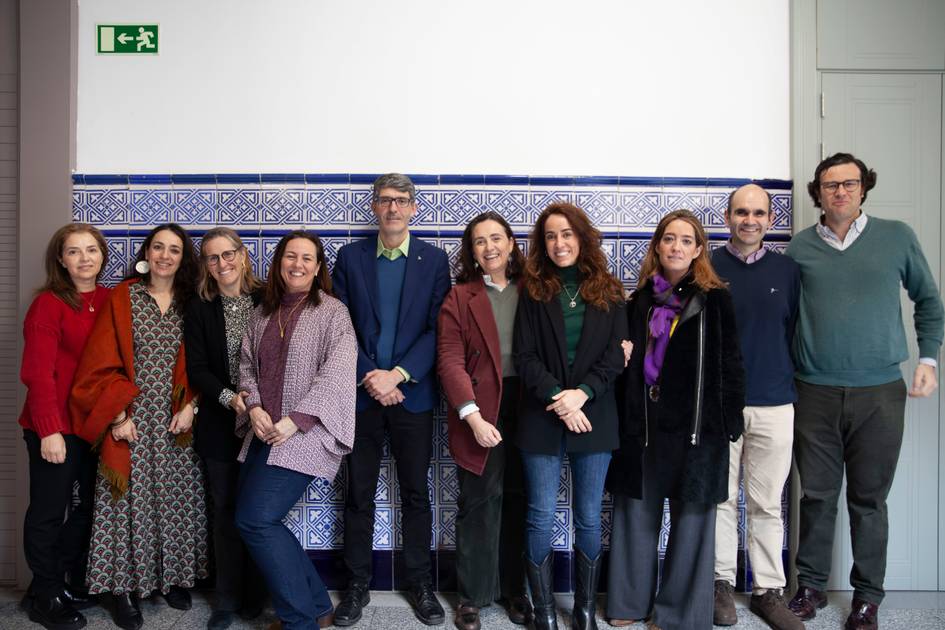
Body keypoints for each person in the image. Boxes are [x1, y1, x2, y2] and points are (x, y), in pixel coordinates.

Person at [786, 153, 944, 630]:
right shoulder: (798, 250)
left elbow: (929, 301)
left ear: (863, 188)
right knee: (816, 494)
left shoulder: (896, 237)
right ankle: (810, 588)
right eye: (831, 185)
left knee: (869, 500)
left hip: (879, 393)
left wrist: (929, 361)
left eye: (849, 183)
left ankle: (867, 598)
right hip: (812, 391)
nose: (840, 192)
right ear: (818, 192)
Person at [606, 209, 745, 630]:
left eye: (686, 240)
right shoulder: (641, 299)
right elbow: (623, 359)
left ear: (699, 249)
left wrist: (728, 423)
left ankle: (679, 613)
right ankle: (629, 604)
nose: (677, 247)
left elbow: (731, 363)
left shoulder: (714, 298)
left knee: (692, 522)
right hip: (644, 424)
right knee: (635, 514)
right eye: (669, 239)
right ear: (657, 246)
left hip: (697, 429)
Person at [69, 223, 208, 630]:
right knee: (124, 505)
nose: (165, 255)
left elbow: (208, 363)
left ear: (184, 259)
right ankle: (122, 589)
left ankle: (172, 579)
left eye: (175, 250)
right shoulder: (124, 296)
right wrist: (117, 417)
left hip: (177, 420)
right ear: (147, 251)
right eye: (159, 247)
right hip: (130, 419)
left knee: (178, 500)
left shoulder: (193, 302)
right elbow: (98, 362)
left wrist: (193, 406)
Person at [332, 174, 451, 626]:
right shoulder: (350, 258)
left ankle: (421, 584)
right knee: (358, 495)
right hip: (361, 398)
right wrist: (371, 376)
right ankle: (356, 587)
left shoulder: (434, 260)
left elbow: (437, 327)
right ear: (374, 206)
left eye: (401, 201)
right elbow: (340, 325)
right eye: (385, 200)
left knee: (416, 493)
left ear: (414, 207)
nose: (393, 208)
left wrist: (398, 375)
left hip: (413, 397)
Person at [234, 230, 357, 630]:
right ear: (279, 263)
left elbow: (337, 374)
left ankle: (299, 619)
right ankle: (318, 607)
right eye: (291, 257)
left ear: (318, 267)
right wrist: (252, 407)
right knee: (260, 520)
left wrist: (296, 420)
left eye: (307, 258)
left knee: (255, 520)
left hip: (304, 433)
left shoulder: (332, 312)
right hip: (264, 433)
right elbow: (247, 367)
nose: (298, 265)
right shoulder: (262, 313)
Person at [513, 202, 627, 630]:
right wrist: (561, 398)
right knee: (540, 513)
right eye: (550, 236)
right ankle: (543, 611)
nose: (559, 243)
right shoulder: (534, 289)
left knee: (587, 516)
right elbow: (524, 357)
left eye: (566, 234)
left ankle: (582, 609)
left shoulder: (611, 290)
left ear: (582, 237)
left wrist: (582, 394)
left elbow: (618, 354)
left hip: (595, 414)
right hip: (542, 414)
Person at [711, 185, 802, 630]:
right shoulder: (706, 265)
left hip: (774, 401)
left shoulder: (788, 270)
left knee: (768, 504)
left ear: (771, 219)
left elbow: (793, 332)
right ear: (727, 215)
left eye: (759, 213)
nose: (750, 219)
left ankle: (768, 591)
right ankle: (720, 585)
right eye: (741, 211)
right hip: (719, 403)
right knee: (721, 499)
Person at [437, 212, 531, 630]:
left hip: (530, 408)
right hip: (480, 408)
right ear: (471, 251)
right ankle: (472, 596)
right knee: (478, 502)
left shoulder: (535, 291)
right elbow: (450, 360)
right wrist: (471, 415)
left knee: (518, 500)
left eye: (497, 238)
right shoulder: (459, 297)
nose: (489, 247)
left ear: (511, 243)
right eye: (479, 241)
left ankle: (515, 592)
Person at [19, 224, 110, 630]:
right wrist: (48, 430)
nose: (85, 258)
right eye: (74, 251)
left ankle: (57, 582)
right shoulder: (48, 304)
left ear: (102, 255)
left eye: (92, 250)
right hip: (55, 424)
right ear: (61, 259)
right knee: (49, 510)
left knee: (91, 509)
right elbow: (37, 373)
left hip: (95, 426)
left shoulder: (110, 300)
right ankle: (46, 596)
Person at [184, 228, 266, 630]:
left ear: (243, 255)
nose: (222, 264)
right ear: (206, 265)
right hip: (220, 426)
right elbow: (197, 367)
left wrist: (257, 408)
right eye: (213, 258)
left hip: (266, 425)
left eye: (228, 254)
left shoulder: (268, 297)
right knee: (226, 511)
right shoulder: (200, 307)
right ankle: (227, 600)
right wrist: (230, 399)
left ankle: (257, 593)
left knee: (260, 511)